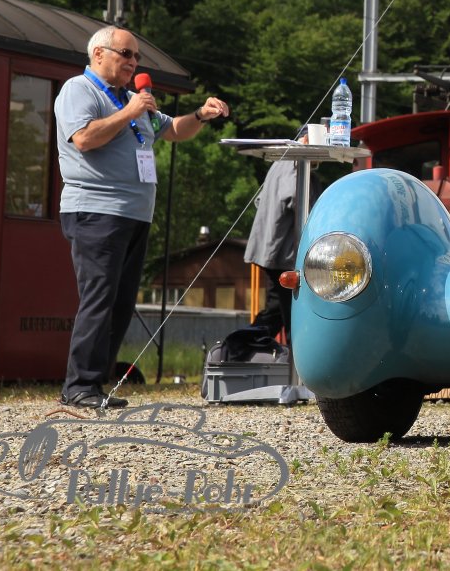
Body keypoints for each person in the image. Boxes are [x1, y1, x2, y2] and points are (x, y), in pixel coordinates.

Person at [56, 25, 229, 409]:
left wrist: (200, 114)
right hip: (96, 210)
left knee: (120, 304)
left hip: (134, 214)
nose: (133, 62)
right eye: (126, 54)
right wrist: (129, 112)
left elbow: (174, 130)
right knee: (99, 298)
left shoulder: (134, 99)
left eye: (136, 56)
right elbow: (84, 138)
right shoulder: (79, 90)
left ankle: (95, 384)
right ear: (98, 54)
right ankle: (78, 386)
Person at [244, 126, 316, 342]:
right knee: (293, 313)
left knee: (276, 310)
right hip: (281, 254)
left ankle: (240, 347)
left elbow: (259, 200)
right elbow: (296, 199)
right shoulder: (296, 163)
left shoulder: (280, 162)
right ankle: (242, 347)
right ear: (306, 140)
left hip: (270, 249)